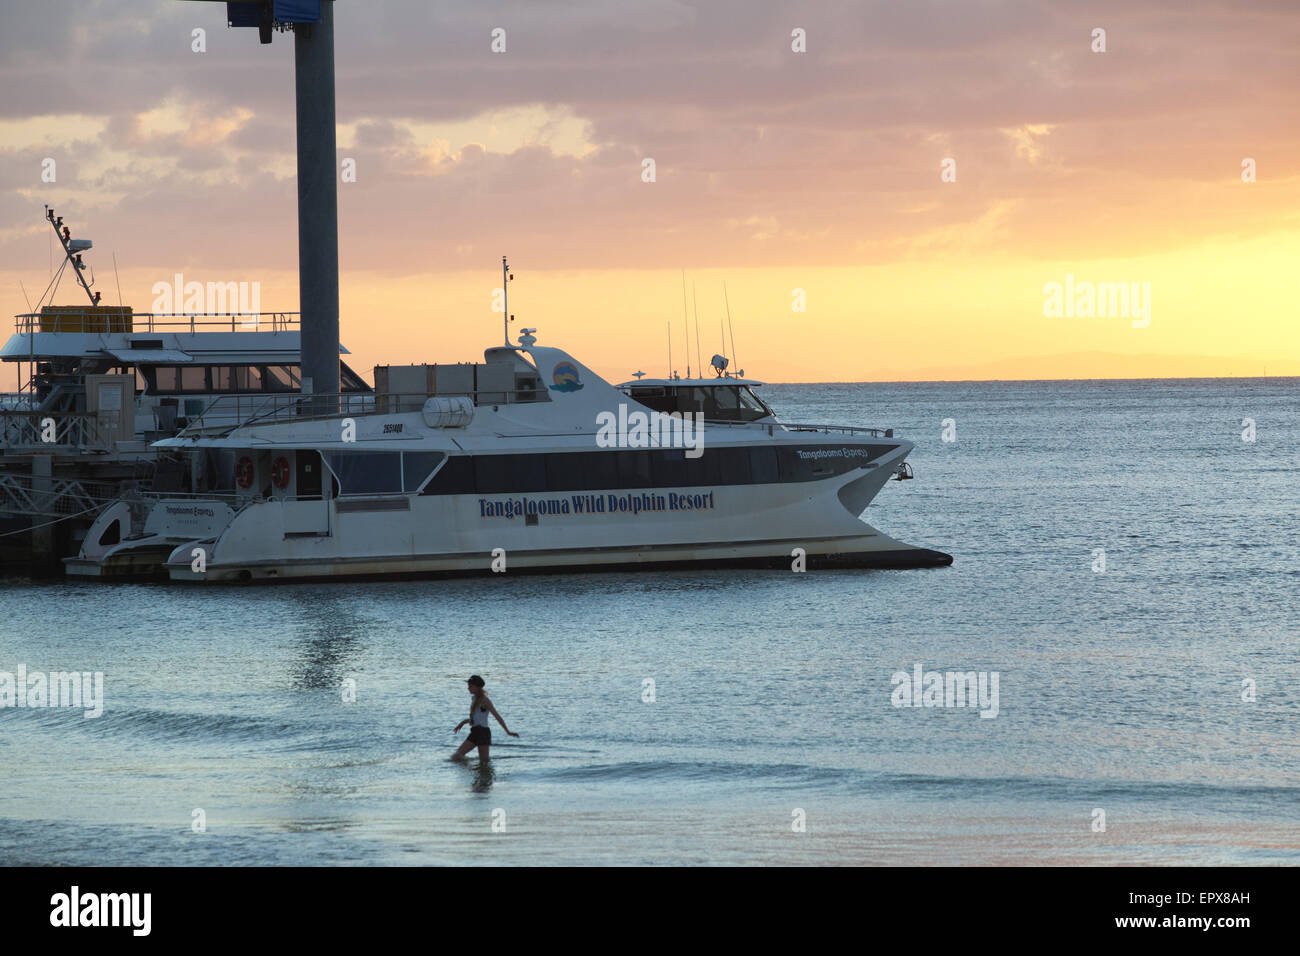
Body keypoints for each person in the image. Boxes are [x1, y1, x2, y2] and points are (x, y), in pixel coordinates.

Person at [452, 675, 518, 761]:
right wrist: (463, 722)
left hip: (483, 733)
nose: (468, 688)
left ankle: (479, 773)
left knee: (484, 762)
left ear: (478, 687)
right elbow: (476, 718)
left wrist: (508, 732)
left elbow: (497, 717)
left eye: (471, 686)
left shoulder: (485, 700)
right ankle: (471, 773)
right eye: (468, 686)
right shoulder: (474, 699)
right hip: (475, 731)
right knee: (456, 757)